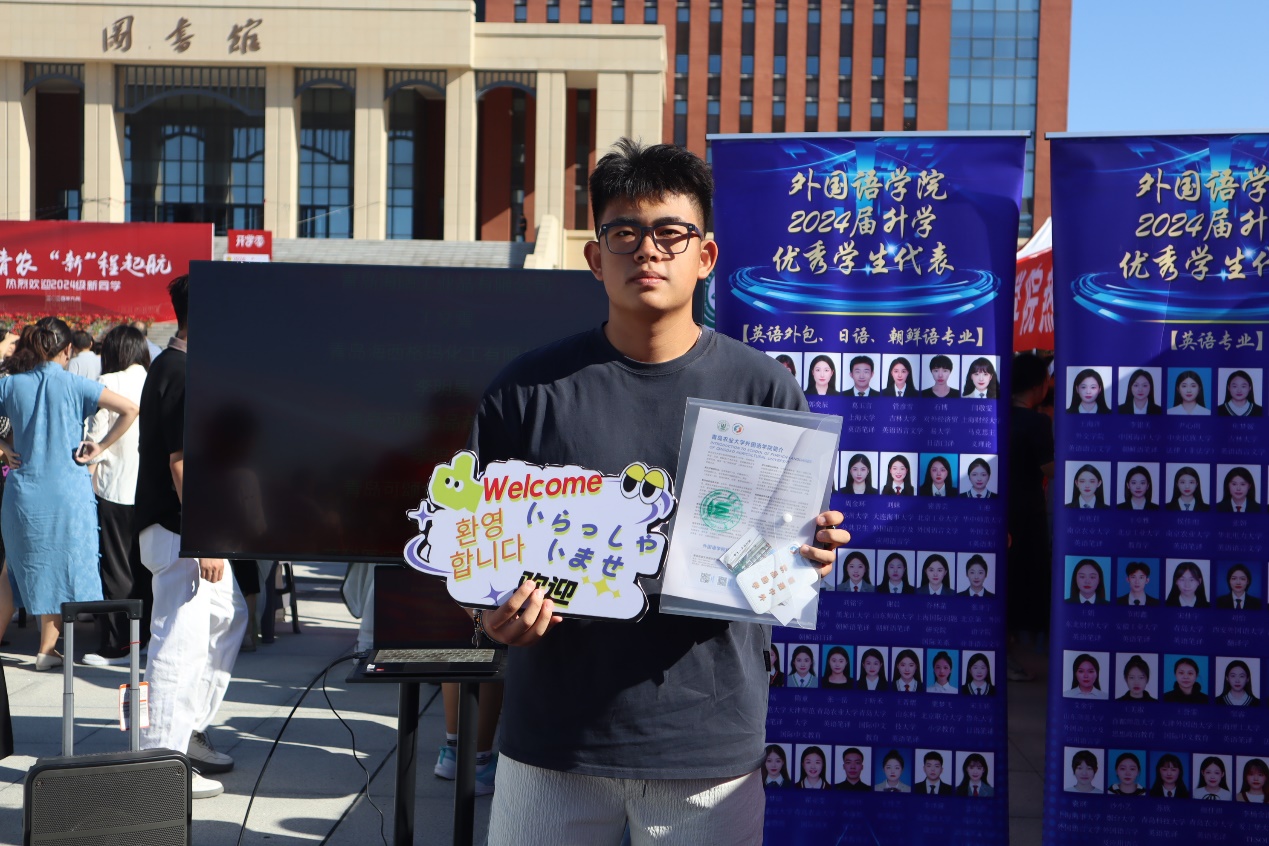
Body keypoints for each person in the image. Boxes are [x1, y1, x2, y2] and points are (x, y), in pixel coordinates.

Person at [471, 140, 850, 843]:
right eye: (625, 232)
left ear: (705, 256)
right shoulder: (525, 392)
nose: (648, 250)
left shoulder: (762, 390)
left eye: (670, 233)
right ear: (595, 257)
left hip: (707, 749)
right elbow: (478, 553)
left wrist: (807, 555)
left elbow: (783, 556)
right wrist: (489, 612)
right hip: (551, 740)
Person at [136, 276, 248, 800]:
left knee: (230, 616)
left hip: (181, 529)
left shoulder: (174, 367)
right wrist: (206, 539)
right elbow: (180, 464)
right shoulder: (179, 373)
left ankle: (189, 733)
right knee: (175, 647)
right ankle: (162, 765)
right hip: (180, 532)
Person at [0, 317, 139, 669]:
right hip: (68, 494)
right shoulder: (78, 384)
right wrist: (101, 446)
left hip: (24, 491)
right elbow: (130, 409)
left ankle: (39, 647)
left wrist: (4, 446)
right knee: (59, 569)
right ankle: (46, 649)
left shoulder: (11, 384)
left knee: (13, 571)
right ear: (68, 350)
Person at [82, 325, 153, 666]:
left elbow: (93, 442)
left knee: (116, 569)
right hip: (152, 491)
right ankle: (147, 639)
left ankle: (119, 644)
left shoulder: (108, 383)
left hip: (116, 488)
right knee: (147, 569)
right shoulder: (154, 379)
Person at [1007, 351, 1055, 675]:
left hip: (1000, 510)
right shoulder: (1037, 423)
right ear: (1038, 385)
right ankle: (1015, 658)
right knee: (1026, 584)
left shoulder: (997, 416)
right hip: (1027, 513)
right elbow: (1050, 469)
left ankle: (1009, 656)